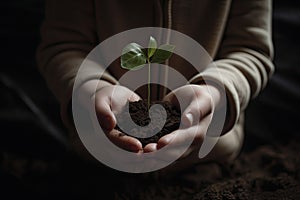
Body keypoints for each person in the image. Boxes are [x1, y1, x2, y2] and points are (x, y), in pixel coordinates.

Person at [37, 0, 274, 169]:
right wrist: (93, 88)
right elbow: (64, 45)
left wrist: (213, 91)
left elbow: (251, 50)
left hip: (208, 165)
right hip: (99, 164)